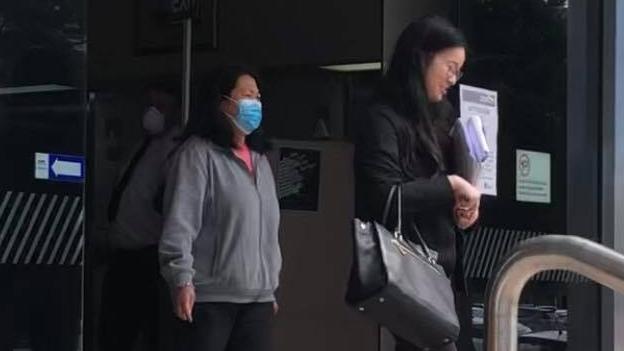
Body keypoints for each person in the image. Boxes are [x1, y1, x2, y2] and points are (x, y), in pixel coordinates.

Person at [354, 16, 480, 351]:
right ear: (422, 57)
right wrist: (450, 185)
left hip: (445, 274)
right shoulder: (382, 117)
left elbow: (447, 190)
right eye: (449, 66)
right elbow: (382, 196)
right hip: (411, 275)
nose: (453, 78)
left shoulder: (443, 115)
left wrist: (463, 209)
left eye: (459, 70)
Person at [159, 65, 281, 351]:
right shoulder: (198, 155)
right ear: (223, 102)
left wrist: (270, 285)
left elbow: (268, 231)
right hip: (210, 299)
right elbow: (180, 222)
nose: (256, 103)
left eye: (259, 96)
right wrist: (181, 280)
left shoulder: (261, 161)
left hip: (257, 300)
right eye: (247, 95)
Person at [99, 83, 181, 351]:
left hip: (149, 257)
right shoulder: (141, 146)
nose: (153, 113)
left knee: (149, 332)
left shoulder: (176, 150)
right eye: (151, 106)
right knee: (114, 333)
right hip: (122, 253)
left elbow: (171, 203)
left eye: (161, 107)